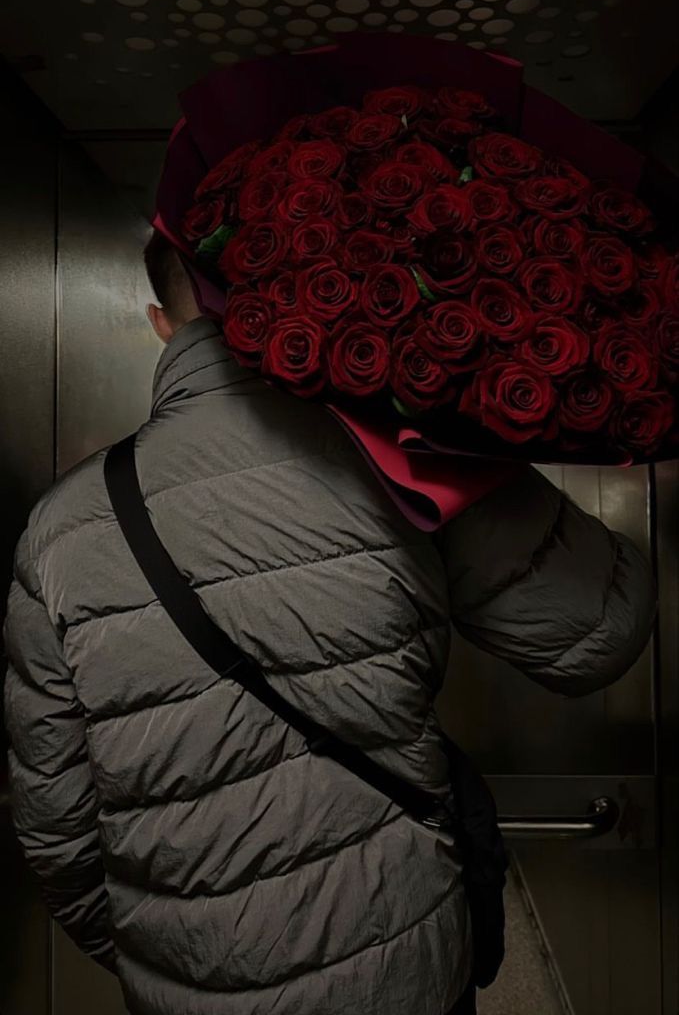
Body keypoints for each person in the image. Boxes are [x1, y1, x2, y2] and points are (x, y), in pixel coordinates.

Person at [3, 231, 655, 1015]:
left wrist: (170, 955)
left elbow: (57, 831)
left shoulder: (60, 529)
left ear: (160, 324)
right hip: (403, 975)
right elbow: (601, 630)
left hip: (179, 984)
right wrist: (461, 431)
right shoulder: (394, 453)